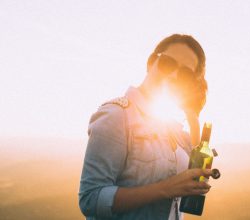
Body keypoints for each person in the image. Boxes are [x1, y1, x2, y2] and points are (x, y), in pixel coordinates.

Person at [79, 34, 212, 220]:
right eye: (168, 63)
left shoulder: (174, 130)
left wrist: (193, 116)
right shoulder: (117, 116)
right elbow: (91, 199)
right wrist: (166, 189)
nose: (174, 75)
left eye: (185, 74)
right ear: (151, 63)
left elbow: (194, 182)